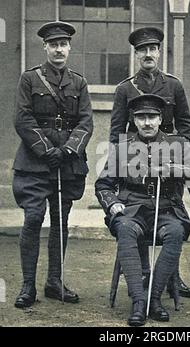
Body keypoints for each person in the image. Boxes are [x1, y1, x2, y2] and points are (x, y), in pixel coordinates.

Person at [95, 94, 190, 326]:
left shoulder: (178, 144)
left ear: (160, 118)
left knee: (175, 233)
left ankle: (154, 299)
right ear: (134, 120)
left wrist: (173, 169)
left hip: (167, 211)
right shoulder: (122, 147)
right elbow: (103, 185)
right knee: (125, 230)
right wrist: (112, 204)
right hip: (132, 211)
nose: (147, 122)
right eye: (141, 117)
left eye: (152, 117)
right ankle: (138, 301)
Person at [109, 26, 190, 298]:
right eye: (142, 50)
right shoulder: (125, 88)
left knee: (170, 211)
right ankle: (144, 274)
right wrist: (119, 162)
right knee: (141, 209)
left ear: (159, 52)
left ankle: (173, 277)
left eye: (152, 49)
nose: (148, 54)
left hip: (169, 155)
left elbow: (185, 125)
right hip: (136, 156)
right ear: (136, 54)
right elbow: (116, 130)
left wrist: (181, 157)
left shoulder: (174, 85)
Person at [13, 21, 93, 308]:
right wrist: (47, 150)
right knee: (33, 219)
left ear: (69, 48)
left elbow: (86, 122)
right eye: (53, 44)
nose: (59, 49)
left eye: (63, 44)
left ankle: (54, 282)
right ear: (45, 47)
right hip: (35, 164)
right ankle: (27, 285)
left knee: (61, 222)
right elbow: (22, 118)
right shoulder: (29, 79)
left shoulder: (79, 83)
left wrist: (68, 150)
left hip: (67, 163)